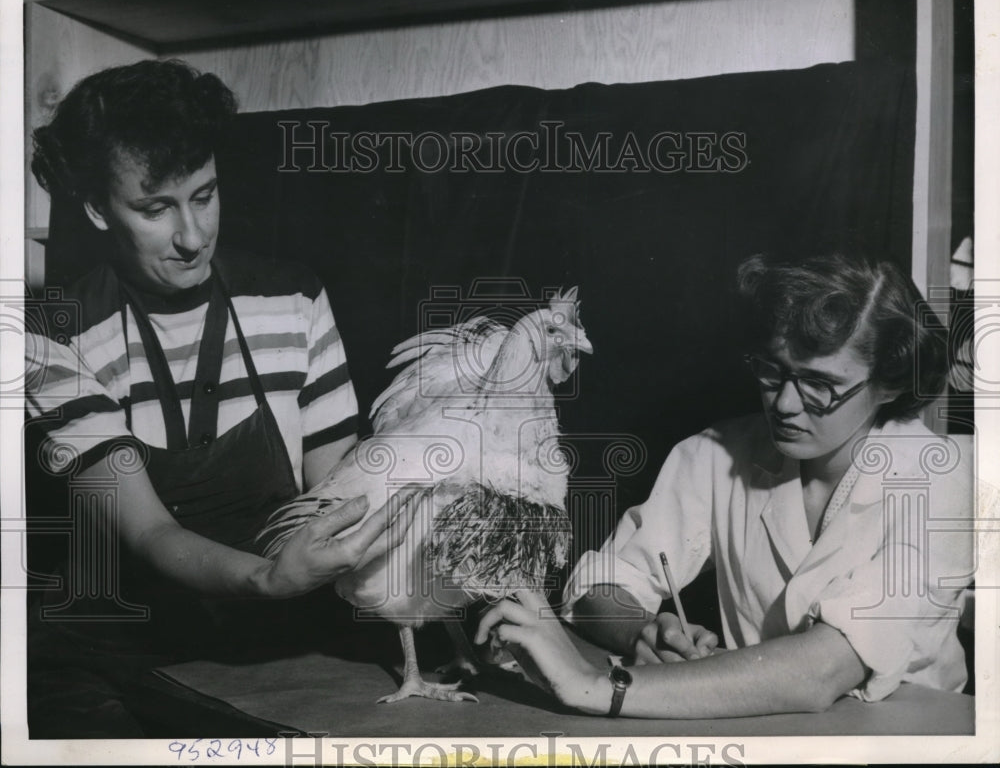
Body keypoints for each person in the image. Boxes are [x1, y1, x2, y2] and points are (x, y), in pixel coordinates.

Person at [24, 59, 415, 737]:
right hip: (108, 653)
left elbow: (341, 496)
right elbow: (150, 533)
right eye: (155, 208)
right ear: (94, 208)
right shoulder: (51, 334)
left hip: (273, 643)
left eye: (203, 196)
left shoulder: (293, 300)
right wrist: (270, 578)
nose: (192, 236)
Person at [475, 253, 974, 718]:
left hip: (904, 740)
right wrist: (643, 630)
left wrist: (594, 685)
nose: (783, 405)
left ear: (889, 381)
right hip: (757, 730)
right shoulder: (715, 453)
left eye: (820, 385)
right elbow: (602, 584)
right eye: (772, 371)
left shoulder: (939, 477)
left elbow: (824, 669)